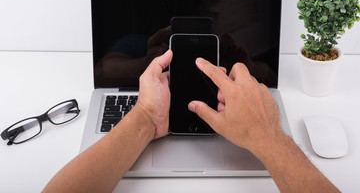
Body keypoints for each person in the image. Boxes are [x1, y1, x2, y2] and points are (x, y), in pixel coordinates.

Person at [43, 50, 340, 193]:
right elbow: (108, 63)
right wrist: (147, 115)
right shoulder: (133, 45)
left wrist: (146, 117)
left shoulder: (233, 42)